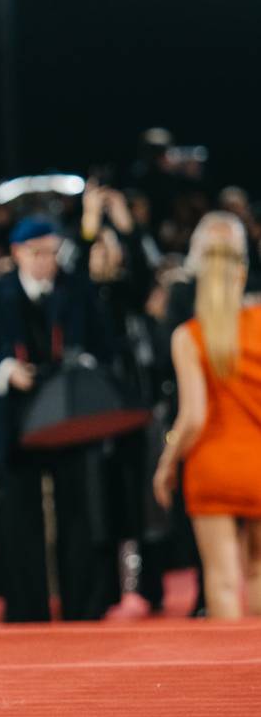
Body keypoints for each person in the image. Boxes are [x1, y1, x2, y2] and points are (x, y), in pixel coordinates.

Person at [0, 213, 113, 621]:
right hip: (16, 422)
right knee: (19, 516)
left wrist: (82, 367)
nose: (46, 261)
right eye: (37, 253)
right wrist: (6, 370)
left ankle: (82, 605)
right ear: (17, 253)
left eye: (51, 252)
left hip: (69, 418)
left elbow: (106, 345)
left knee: (77, 512)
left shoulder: (76, 291)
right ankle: (27, 609)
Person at [153, 213, 261, 618]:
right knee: (257, 571)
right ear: (242, 272)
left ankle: (227, 672)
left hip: (212, 466)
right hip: (258, 464)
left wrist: (167, 460)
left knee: (220, 577)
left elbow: (193, 416)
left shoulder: (189, 337)